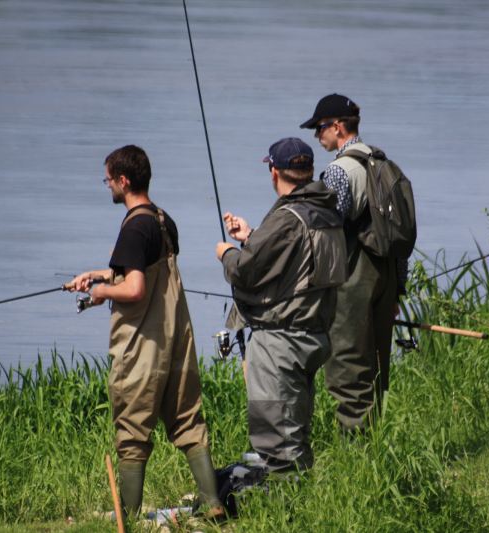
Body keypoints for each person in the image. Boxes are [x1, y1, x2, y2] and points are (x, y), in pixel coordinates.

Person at [70, 145, 223, 519]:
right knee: (187, 419)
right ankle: (213, 503)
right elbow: (144, 271)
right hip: (176, 339)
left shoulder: (133, 228)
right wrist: (99, 275)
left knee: (133, 430)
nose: (108, 185)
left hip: (143, 346)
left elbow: (136, 289)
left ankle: (129, 517)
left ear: (124, 181)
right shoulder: (162, 221)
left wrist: (102, 292)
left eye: (108, 179)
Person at [215, 137, 347, 473]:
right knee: (295, 429)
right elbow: (298, 260)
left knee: (275, 436)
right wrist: (252, 236)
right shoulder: (325, 212)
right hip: (314, 335)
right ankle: (299, 492)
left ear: (274, 172)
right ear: (309, 170)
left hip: (280, 342)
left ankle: (285, 497)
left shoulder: (286, 218)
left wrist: (227, 253)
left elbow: (243, 270)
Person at [300, 94, 415, 432]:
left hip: (354, 282)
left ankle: (356, 452)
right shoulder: (383, 163)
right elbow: (397, 236)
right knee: (376, 365)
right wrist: (397, 290)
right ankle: (374, 442)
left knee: (348, 368)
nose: (316, 135)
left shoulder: (339, 171)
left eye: (320, 128)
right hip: (386, 277)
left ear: (338, 127)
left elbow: (325, 235)